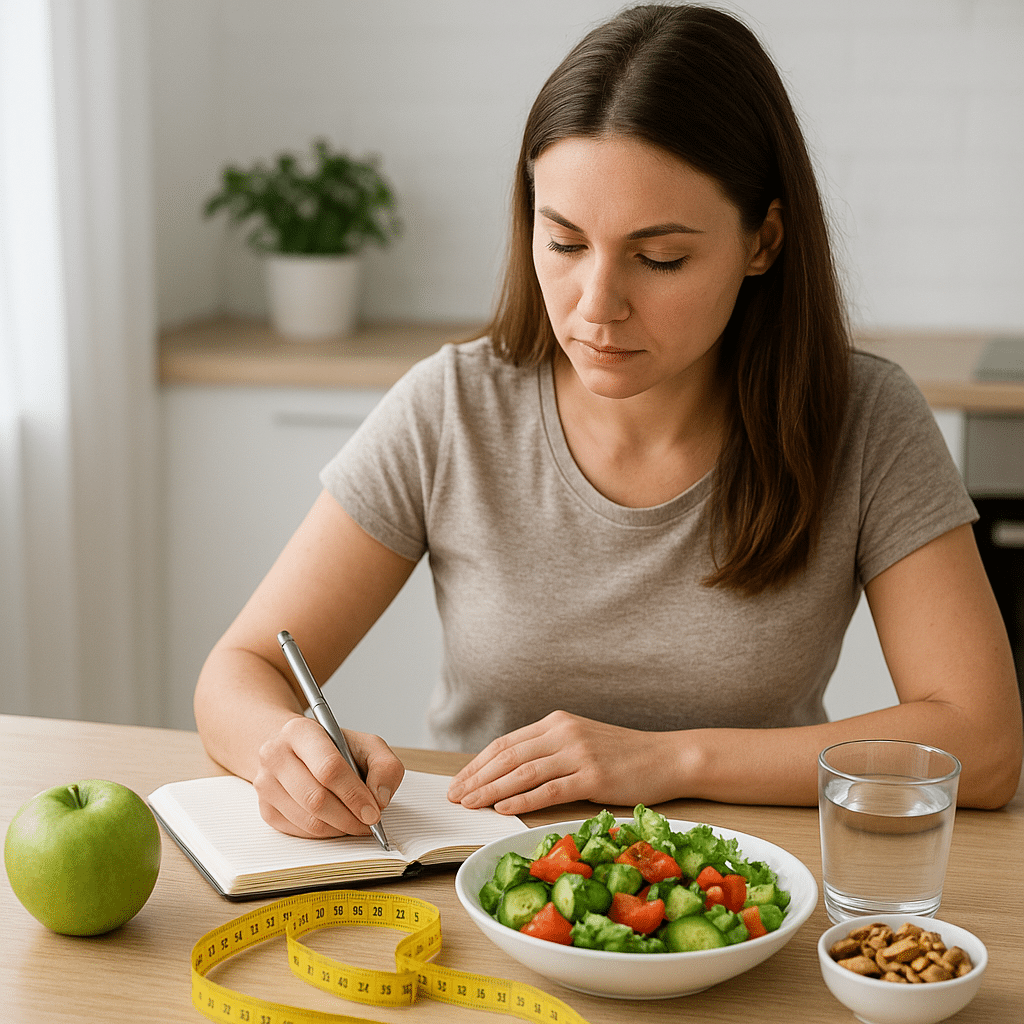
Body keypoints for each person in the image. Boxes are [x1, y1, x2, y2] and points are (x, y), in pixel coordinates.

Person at [194, 4, 1022, 840]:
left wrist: (673, 761)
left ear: (763, 241)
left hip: (749, 884)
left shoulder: (865, 419)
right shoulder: (450, 409)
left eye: (659, 258)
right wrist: (289, 751)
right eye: (563, 243)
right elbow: (241, 670)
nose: (596, 306)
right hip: (481, 876)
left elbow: (984, 745)